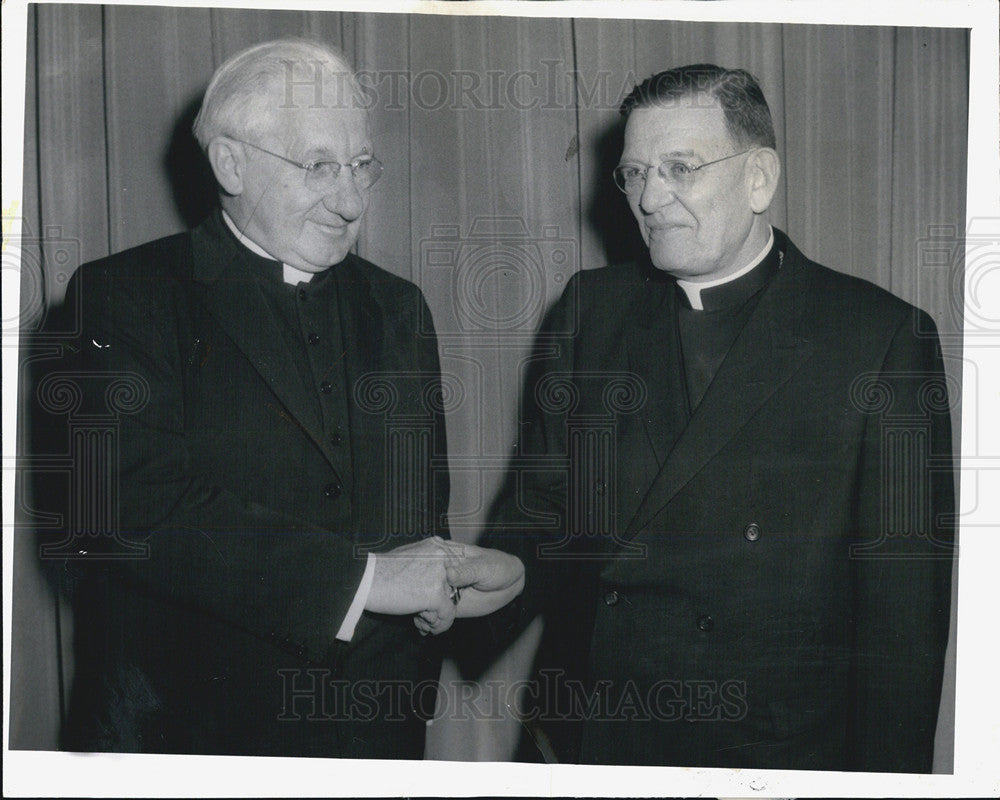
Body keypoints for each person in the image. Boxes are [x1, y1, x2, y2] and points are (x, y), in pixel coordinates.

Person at [461, 64, 954, 772]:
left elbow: (901, 633)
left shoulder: (878, 340)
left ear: (758, 178)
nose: (650, 199)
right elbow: (544, 514)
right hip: (592, 742)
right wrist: (496, 568)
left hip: (767, 756)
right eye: (634, 174)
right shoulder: (589, 311)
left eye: (679, 168)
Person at [54, 38, 523, 759]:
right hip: (191, 737)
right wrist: (368, 580)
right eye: (318, 167)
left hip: (376, 735)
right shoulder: (123, 296)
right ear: (231, 163)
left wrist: (461, 587)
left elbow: (417, 519)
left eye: (362, 166)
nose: (351, 200)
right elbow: (126, 508)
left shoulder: (398, 307)